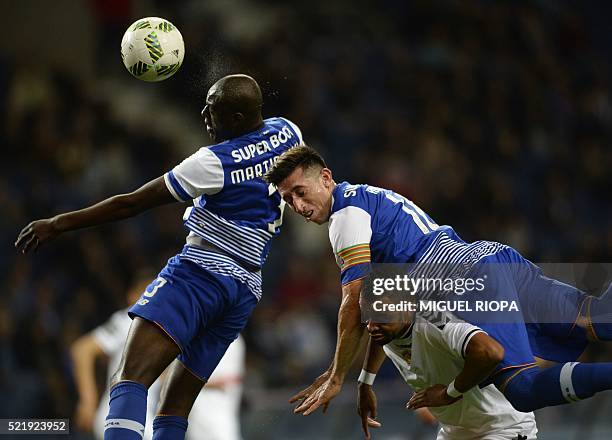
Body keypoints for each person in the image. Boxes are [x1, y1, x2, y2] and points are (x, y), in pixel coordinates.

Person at [16, 74, 304, 440]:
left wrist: (59, 223)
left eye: (212, 109)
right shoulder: (288, 133)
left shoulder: (213, 162)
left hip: (203, 272)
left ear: (234, 119)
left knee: (129, 377)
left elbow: (131, 203)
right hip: (245, 288)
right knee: (173, 407)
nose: (203, 114)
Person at [263, 145, 612, 419]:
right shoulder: (366, 200)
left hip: (468, 282)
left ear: (325, 178)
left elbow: (353, 301)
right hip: (489, 257)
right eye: (288, 199)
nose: (297, 204)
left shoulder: (345, 219)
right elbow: (381, 309)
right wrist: (365, 380)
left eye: (300, 191)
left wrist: (336, 375)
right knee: (597, 319)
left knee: (522, 389)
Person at [71, 276, 246, 440]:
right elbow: (82, 349)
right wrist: (87, 399)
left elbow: (164, 374)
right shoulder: (134, 319)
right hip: (122, 416)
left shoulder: (168, 325)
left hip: (139, 420)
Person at [357, 296, 537, 439]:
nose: (372, 327)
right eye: (367, 318)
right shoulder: (387, 329)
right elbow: (378, 338)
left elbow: (490, 352)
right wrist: (365, 384)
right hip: (454, 431)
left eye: (381, 317)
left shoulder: (434, 318)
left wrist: (447, 394)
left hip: (503, 426)